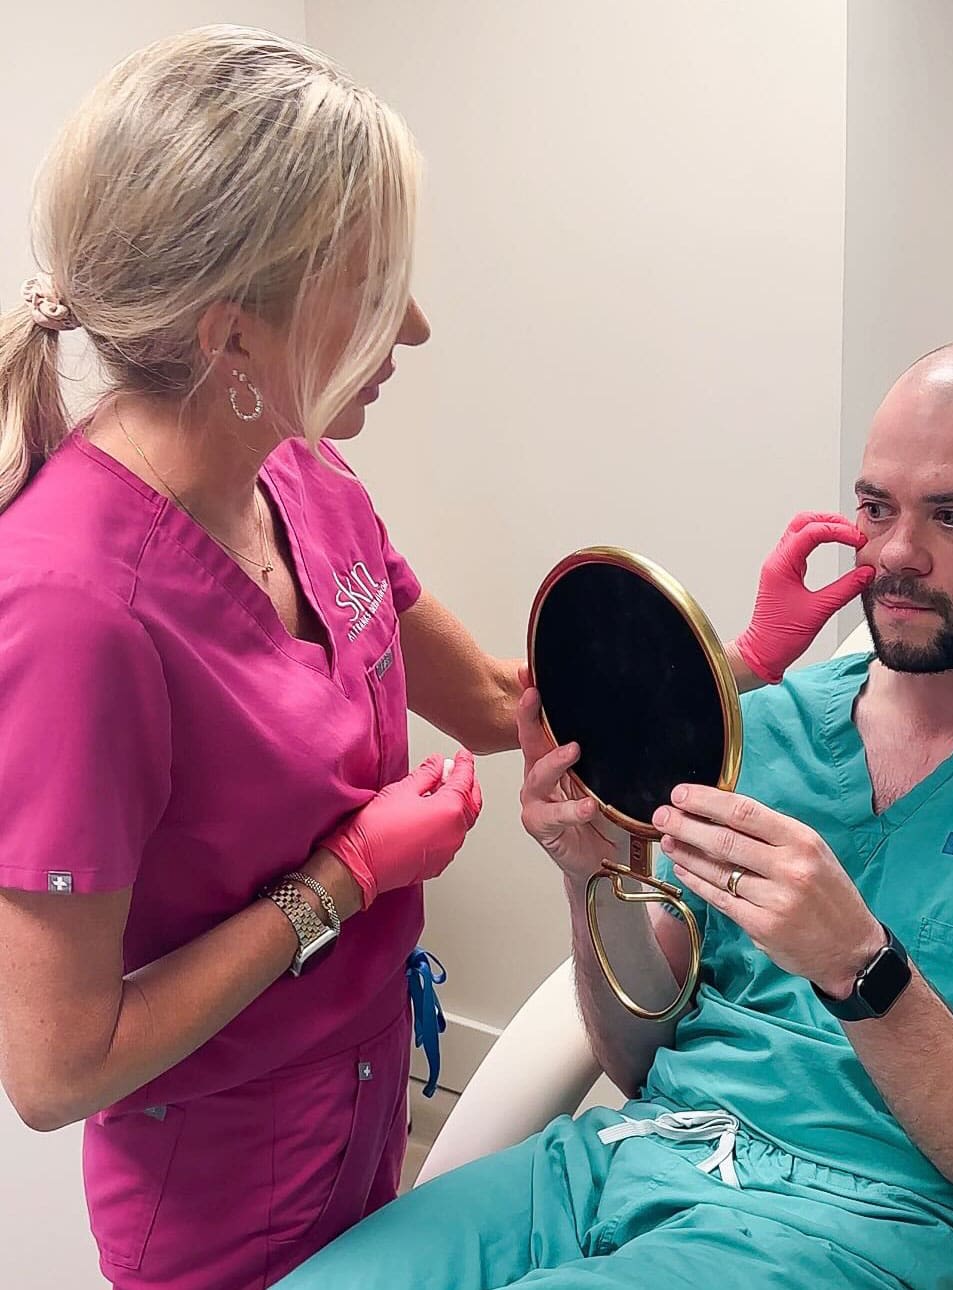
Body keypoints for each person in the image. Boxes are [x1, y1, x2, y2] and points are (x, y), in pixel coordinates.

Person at [0, 29, 865, 1288]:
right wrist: (346, 877)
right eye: (370, 287)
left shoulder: (302, 479)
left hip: (365, 1106)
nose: (412, 325)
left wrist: (747, 660)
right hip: (218, 1187)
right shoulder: (71, 609)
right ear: (232, 335)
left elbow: (525, 716)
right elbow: (53, 1065)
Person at [281, 338, 953, 1290]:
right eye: (876, 508)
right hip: (630, 1156)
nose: (896, 555)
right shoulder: (766, 731)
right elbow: (637, 1059)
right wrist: (592, 878)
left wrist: (857, 964)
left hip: (866, 1230)